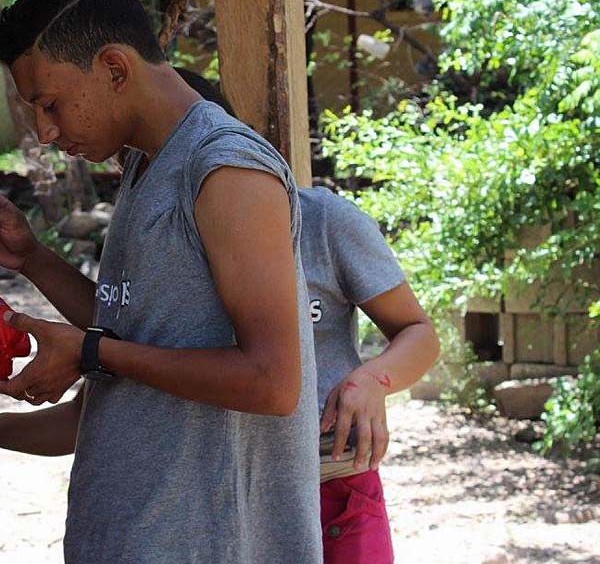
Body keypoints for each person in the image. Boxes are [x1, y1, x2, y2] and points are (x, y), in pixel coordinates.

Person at [0, 0, 322, 563]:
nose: (44, 131)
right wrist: (34, 259)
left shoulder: (227, 171)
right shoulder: (147, 165)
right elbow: (139, 333)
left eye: (51, 104)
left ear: (115, 68)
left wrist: (90, 352)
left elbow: (273, 383)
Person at [173, 68, 440, 562]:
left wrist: (374, 379)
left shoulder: (322, 222)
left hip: (332, 485)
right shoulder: (160, 245)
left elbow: (419, 334)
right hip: (213, 491)